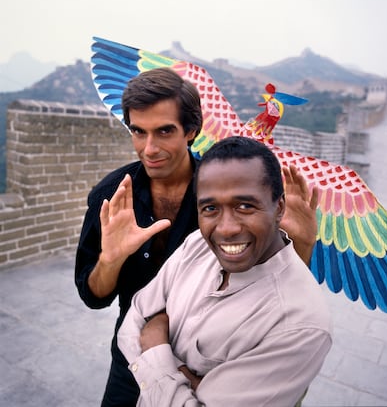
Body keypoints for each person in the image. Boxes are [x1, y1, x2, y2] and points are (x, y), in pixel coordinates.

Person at [75, 67, 319, 406]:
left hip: (210, 367)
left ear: (191, 130)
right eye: (138, 132)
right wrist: (111, 259)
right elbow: (93, 295)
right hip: (131, 356)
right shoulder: (111, 196)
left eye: (163, 131)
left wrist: (302, 243)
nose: (149, 148)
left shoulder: (224, 194)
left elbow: (273, 287)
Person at [116, 136, 332, 407]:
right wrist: (189, 384)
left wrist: (156, 347)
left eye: (245, 206)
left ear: (279, 208)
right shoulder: (197, 245)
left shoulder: (300, 325)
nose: (226, 228)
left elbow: (144, 332)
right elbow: (131, 324)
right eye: (210, 208)